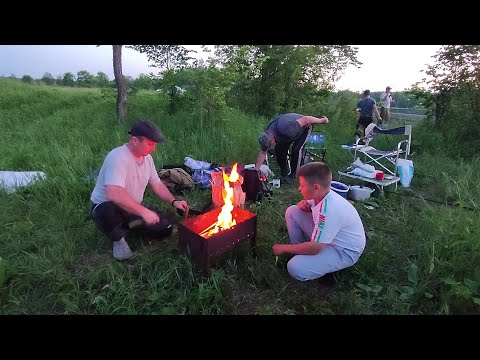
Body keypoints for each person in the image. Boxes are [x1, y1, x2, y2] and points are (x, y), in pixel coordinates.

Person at [90, 120, 190, 260]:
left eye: (154, 144)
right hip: (108, 207)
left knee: (165, 229)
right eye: (150, 144)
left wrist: (174, 202)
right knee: (107, 212)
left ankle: (129, 225)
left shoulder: (147, 159)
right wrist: (144, 212)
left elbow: (157, 184)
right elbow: (114, 193)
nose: (153, 148)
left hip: (130, 208)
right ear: (135, 140)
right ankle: (118, 239)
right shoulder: (117, 157)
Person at [272, 162, 366, 282]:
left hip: (344, 251)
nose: (299, 188)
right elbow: (308, 208)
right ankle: (301, 253)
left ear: (316, 187)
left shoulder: (329, 209)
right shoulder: (321, 196)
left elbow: (315, 248)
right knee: (293, 211)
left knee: (294, 268)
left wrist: (284, 248)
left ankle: (327, 271)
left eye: (302, 185)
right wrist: (303, 205)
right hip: (331, 238)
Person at [255, 113, 329, 183]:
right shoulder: (267, 134)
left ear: (273, 140)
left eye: (270, 144)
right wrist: (255, 171)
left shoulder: (286, 128)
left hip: (305, 128)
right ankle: (284, 170)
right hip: (288, 133)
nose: (271, 146)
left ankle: (294, 174)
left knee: (296, 150)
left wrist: (322, 121)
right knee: (279, 150)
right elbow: (262, 153)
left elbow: (306, 119)